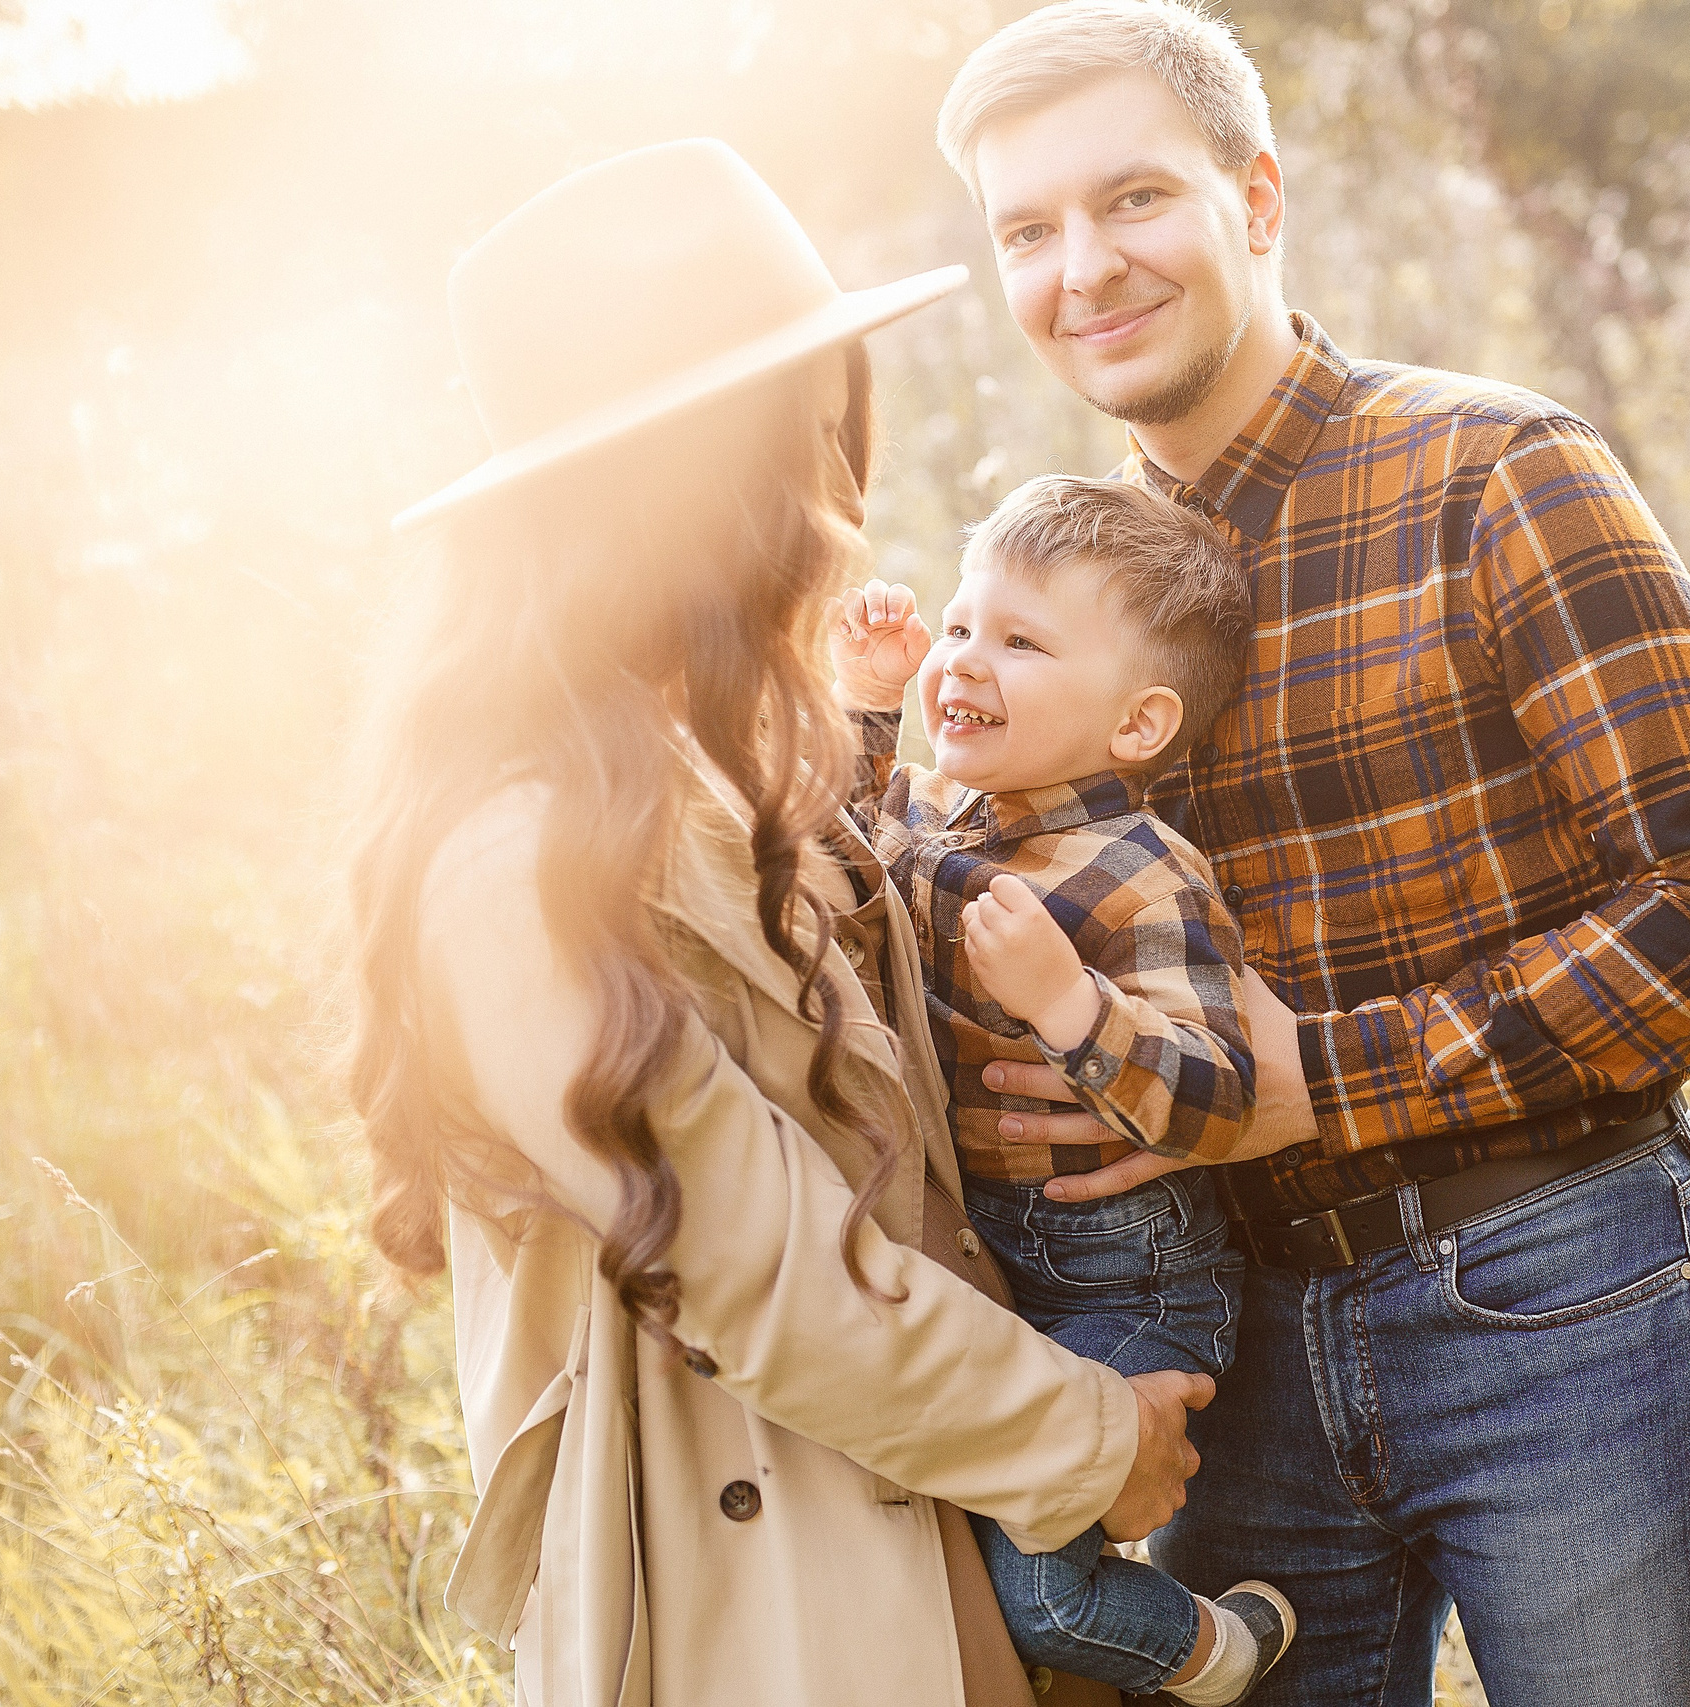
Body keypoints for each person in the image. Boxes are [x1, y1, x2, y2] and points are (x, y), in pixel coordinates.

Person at [932, 6, 1690, 1706]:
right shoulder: (1046, 597)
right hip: (1223, 1337)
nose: (1084, 267)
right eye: (1027, 231)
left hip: (1555, 1295)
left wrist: (1322, 1082)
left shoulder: (1493, 472)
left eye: (1134, 200)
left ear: (1256, 200)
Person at [344, 138, 1212, 1707]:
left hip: (926, 1524)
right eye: (807, 436)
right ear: (696, 490)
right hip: (768, 1599)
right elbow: (752, 1265)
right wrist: (1092, 1441)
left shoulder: (730, 758)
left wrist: (1119, 1078)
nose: (840, 493)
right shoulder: (517, 851)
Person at [827, 475, 1291, 1705]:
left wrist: (1072, 1010)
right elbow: (831, 847)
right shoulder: (935, 810)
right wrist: (870, 704)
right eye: (966, 626)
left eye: (1021, 643)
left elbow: (1221, 1098)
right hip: (993, 1263)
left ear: (1137, 726)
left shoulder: (1143, 878)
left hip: (1129, 1278)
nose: (967, 662)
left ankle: (1214, 1650)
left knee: (1034, 1591)